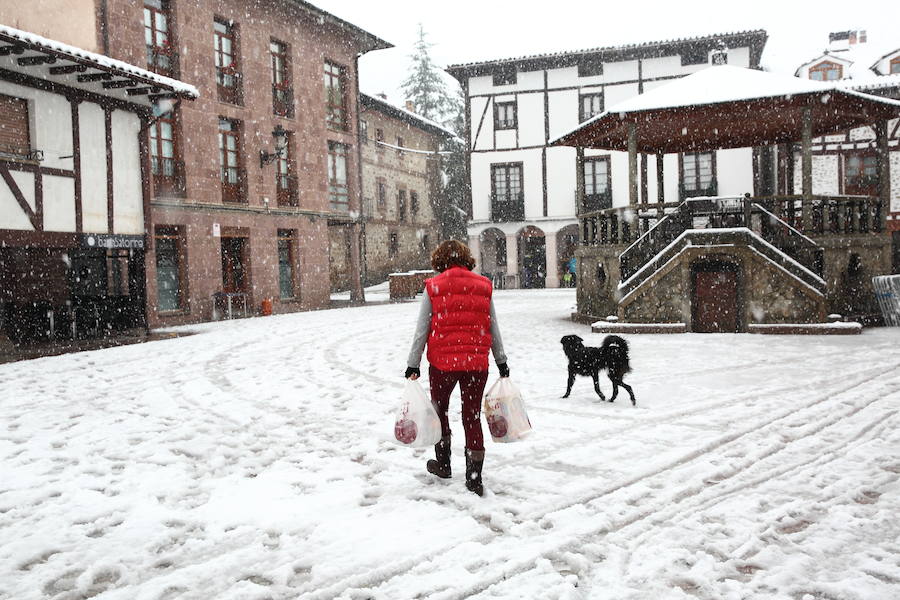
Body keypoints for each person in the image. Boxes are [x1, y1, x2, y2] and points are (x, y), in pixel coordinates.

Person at [406, 240, 509, 497]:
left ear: (440, 259)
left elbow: (422, 329)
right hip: (476, 363)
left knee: (439, 412)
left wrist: (412, 363)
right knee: (471, 416)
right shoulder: (483, 286)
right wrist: (501, 360)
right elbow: (493, 326)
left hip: (443, 363)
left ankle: (443, 464)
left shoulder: (434, 286)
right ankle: (474, 477)